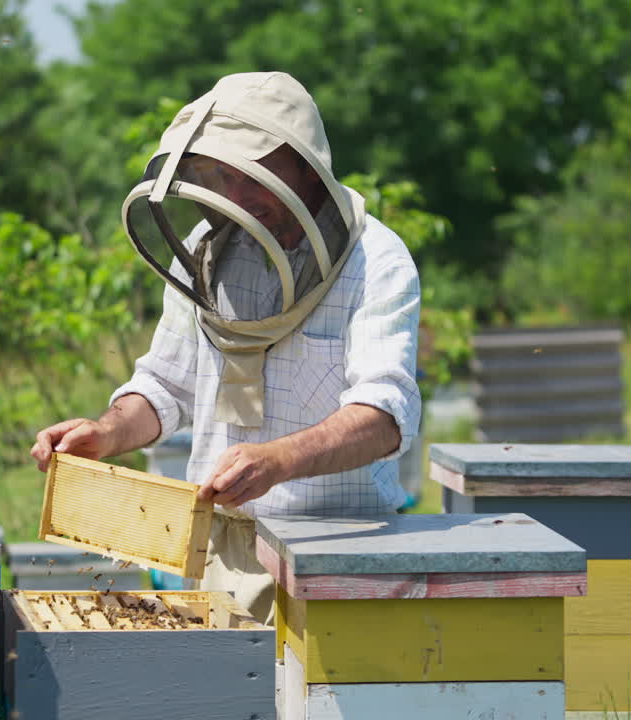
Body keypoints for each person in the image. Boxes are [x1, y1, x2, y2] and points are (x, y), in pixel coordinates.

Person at [31, 71, 421, 622]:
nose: (235, 196)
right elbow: (165, 385)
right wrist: (108, 431)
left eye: (251, 174)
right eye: (219, 176)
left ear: (304, 167)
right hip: (215, 550)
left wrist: (278, 460)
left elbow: (385, 416)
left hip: (335, 554)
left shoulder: (376, 262)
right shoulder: (205, 250)